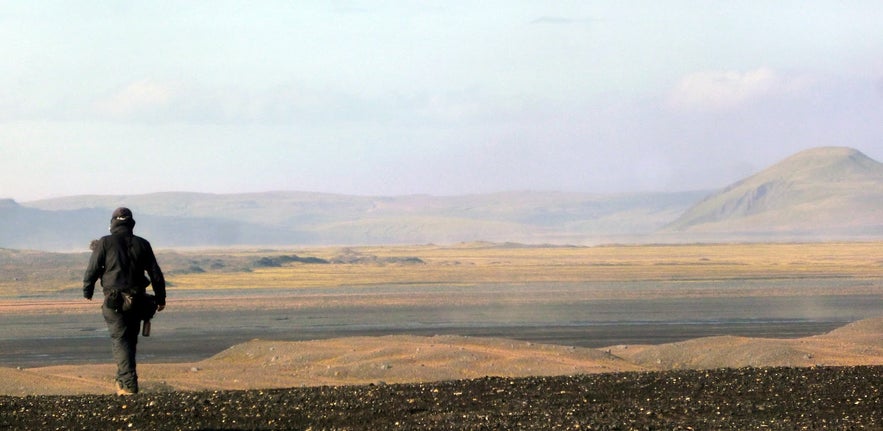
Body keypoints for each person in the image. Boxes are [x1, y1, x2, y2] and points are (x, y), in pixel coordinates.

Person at [83, 207, 166, 395]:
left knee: (121, 340)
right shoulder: (142, 244)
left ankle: (128, 386)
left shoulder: (104, 243)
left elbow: (92, 269)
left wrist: (87, 291)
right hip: (138, 301)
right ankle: (123, 383)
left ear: (113, 223)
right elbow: (156, 274)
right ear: (131, 223)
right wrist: (161, 298)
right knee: (129, 340)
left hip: (114, 301)